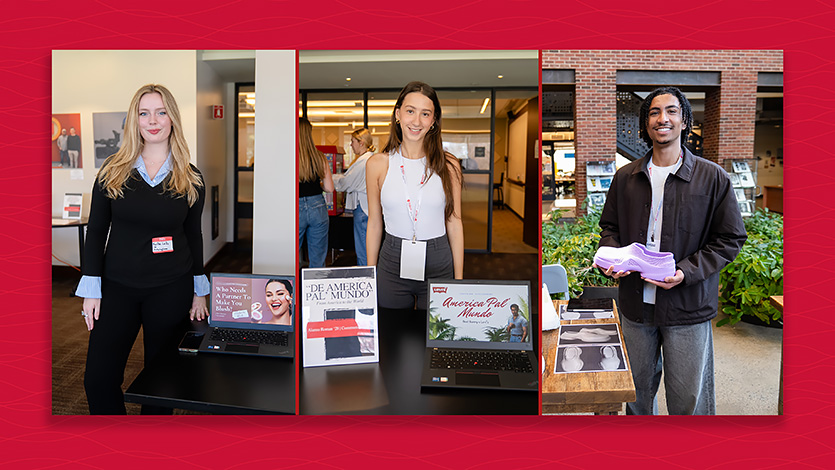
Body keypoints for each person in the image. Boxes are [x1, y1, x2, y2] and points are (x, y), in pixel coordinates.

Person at [596, 86, 747, 415]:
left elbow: (730, 237)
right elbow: (610, 229)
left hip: (687, 308)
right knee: (636, 397)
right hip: (636, 307)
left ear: (684, 122)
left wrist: (686, 272)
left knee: (688, 401)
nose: (662, 118)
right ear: (645, 123)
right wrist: (610, 258)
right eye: (653, 112)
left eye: (671, 111)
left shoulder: (713, 178)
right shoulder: (625, 178)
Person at [76, 84, 209, 414]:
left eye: (161, 112)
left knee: (161, 382)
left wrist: (199, 291)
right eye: (144, 113)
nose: (153, 121)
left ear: (173, 119)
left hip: (171, 286)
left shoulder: (190, 178)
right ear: (134, 121)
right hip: (116, 287)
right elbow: (96, 232)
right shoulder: (112, 170)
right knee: (98, 379)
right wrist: (91, 289)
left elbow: (194, 236)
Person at [366, 81, 464, 311]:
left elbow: (455, 221)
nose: (416, 121)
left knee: (438, 336)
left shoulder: (448, 165)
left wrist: (459, 280)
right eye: (410, 111)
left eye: (425, 114)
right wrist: (369, 274)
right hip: (392, 260)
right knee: (394, 334)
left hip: (439, 260)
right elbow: (374, 222)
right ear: (398, 114)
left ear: (433, 121)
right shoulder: (378, 164)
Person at [333, 128, 375, 266]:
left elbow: (346, 183)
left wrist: (328, 178)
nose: (351, 145)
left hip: (363, 209)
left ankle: (365, 276)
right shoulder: (368, 159)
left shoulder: (364, 162)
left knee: (363, 246)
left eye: (352, 141)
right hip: (367, 206)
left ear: (361, 143)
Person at [298, 117, 334, 268]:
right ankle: (315, 289)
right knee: (318, 257)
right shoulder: (319, 157)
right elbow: (329, 188)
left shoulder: (288, 156)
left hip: (295, 208)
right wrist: (316, 184)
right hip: (317, 206)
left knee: (288, 255)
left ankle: (289, 289)